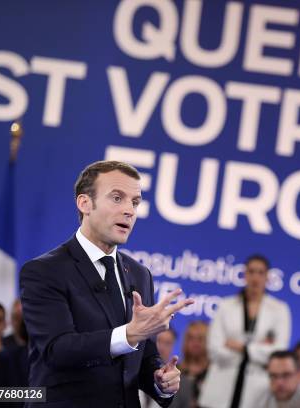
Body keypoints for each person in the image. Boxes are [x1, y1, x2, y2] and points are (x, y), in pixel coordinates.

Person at [20, 160, 194, 407]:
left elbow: (143, 355)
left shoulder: (139, 274)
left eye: (135, 202)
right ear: (85, 203)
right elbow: (57, 350)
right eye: (117, 198)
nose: (130, 211)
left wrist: (160, 380)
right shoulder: (45, 270)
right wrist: (129, 333)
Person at [199, 254, 291, 408]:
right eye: (251, 271)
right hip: (220, 387)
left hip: (257, 390)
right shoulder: (226, 306)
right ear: (245, 275)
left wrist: (241, 347)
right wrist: (259, 349)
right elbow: (215, 350)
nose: (255, 277)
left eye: (260, 272)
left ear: (267, 277)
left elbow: (278, 354)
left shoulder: (279, 309)